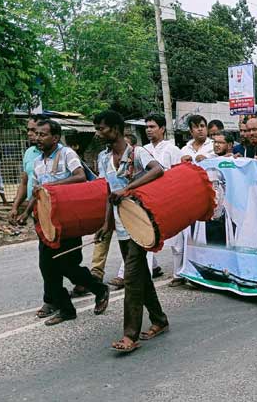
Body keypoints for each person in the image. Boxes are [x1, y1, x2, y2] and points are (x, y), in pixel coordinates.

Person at [19, 118, 109, 326]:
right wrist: (26, 212)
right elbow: (38, 192)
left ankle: (98, 288)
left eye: (43, 135)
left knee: (67, 265)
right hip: (46, 222)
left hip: (68, 221)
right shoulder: (37, 162)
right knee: (47, 267)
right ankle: (66, 309)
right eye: (36, 134)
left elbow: (80, 176)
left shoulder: (67, 154)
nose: (38, 138)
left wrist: (53, 187)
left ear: (56, 137)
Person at [94, 110, 168, 353]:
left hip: (142, 223)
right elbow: (109, 191)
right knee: (140, 277)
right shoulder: (104, 158)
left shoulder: (137, 152)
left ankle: (129, 335)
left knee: (132, 277)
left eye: (102, 128)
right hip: (122, 225)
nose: (98, 133)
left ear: (116, 129)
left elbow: (157, 170)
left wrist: (129, 189)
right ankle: (159, 319)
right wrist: (107, 225)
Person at [139, 114, 186, 288]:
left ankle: (178, 273)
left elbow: (179, 173)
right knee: (147, 235)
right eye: (147, 127)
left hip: (170, 197)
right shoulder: (143, 150)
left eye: (152, 126)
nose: (149, 130)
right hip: (149, 198)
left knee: (176, 240)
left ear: (162, 129)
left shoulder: (172, 149)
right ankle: (146, 273)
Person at [9, 116, 42, 225]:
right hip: (35, 209)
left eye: (33, 130)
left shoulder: (60, 153)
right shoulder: (29, 152)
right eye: (28, 130)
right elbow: (24, 182)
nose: (29, 133)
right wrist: (15, 207)